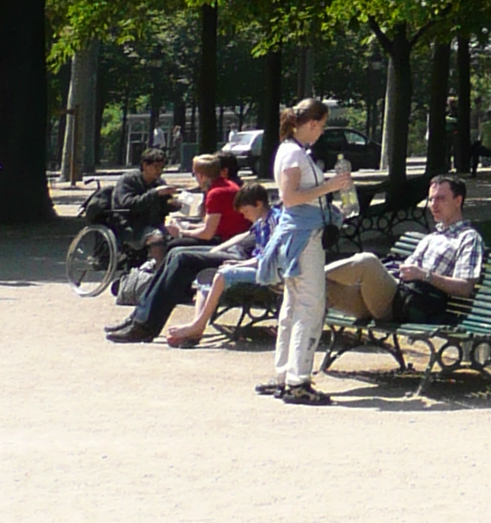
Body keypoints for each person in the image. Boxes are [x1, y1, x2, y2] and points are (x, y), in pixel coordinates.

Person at [255, 98, 353, 407]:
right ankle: (298, 379)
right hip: (303, 236)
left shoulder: (292, 151)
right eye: (321, 126)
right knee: (310, 306)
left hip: (298, 233)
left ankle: (284, 374)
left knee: (292, 306)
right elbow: (290, 197)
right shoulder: (295, 153)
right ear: (311, 123)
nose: (321, 133)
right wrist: (330, 186)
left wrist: (326, 190)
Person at [104, 153, 254, 341]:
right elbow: (213, 226)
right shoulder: (227, 186)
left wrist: (182, 232)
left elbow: (208, 233)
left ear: (200, 175)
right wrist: (187, 227)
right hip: (230, 243)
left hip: (231, 248)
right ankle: (139, 318)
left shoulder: (217, 192)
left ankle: (144, 324)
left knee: (177, 252)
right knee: (175, 251)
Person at [321, 174, 486, 323]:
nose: (433, 205)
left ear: (458, 201)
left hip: (407, 303)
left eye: (440, 199)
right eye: (431, 199)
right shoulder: (432, 237)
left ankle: (305, 276)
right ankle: (307, 282)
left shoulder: (468, 238)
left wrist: (425, 275)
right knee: (322, 286)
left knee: (367, 261)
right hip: (389, 296)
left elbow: (465, 287)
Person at [163, 183, 274, 345]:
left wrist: (237, 266)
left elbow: (267, 258)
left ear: (258, 204)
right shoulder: (261, 222)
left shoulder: (273, 222)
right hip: (254, 263)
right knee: (205, 276)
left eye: (246, 212)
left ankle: (197, 325)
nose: (245, 216)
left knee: (222, 274)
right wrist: (219, 252)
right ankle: (197, 326)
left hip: (269, 270)